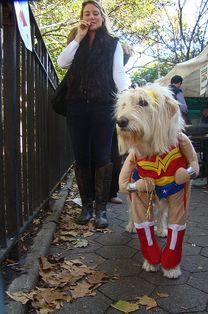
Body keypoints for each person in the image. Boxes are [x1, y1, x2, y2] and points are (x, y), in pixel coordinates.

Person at [57, 0, 130, 229]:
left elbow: (118, 73)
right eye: (87, 13)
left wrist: (127, 99)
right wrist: (78, 37)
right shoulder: (75, 41)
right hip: (76, 106)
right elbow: (62, 62)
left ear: (102, 16)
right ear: (82, 17)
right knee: (81, 157)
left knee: (102, 157)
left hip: (102, 106)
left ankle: (101, 209)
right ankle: (86, 207)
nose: (91, 16)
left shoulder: (113, 43)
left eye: (95, 13)